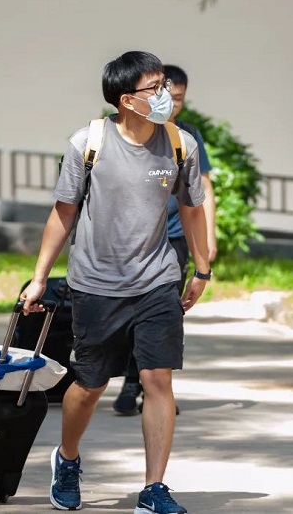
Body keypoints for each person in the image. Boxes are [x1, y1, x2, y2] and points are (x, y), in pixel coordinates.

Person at [21, 51, 211, 514]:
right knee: (90, 386)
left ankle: (154, 488)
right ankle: (67, 458)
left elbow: (191, 208)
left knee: (157, 378)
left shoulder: (180, 144)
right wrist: (39, 277)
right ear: (127, 100)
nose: (165, 94)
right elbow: (63, 213)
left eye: (165, 85)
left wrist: (202, 268)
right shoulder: (88, 143)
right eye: (155, 88)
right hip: (96, 283)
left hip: (157, 279)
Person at [113, 63, 218, 416]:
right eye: (166, 96)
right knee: (131, 312)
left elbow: (203, 189)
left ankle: (152, 389)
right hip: (133, 241)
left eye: (179, 99)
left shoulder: (187, 136)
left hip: (174, 238)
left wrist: (208, 239)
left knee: (164, 314)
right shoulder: (128, 133)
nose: (172, 104)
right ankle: (131, 382)